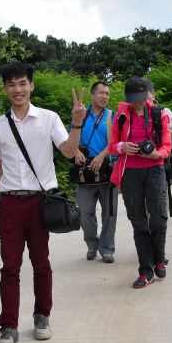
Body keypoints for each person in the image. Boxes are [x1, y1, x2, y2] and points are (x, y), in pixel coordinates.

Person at [0, 62, 87, 343]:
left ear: (31, 86)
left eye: (22, 83)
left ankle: (42, 317)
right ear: (4, 89)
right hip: (11, 203)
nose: (17, 89)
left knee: (41, 264)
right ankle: (8, 328)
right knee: (9, 267)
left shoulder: (49, 118)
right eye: (11, 84)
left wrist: (76, 123)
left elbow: (68, 151)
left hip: (41, 202)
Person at [108, 77, 172, 289]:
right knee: (138, 223)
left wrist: (156, 154)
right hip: (130, 173)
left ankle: (158, 258)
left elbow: (167, 146)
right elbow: (112, 146)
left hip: (155, 170)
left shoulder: (158, 114)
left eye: (140, 98)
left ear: (148, 95)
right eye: (132, 99)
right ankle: (145, 271)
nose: (136, 103)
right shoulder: (120, 116)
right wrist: (122, 147)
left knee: (159, 219)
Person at [71, 81, 117, 263]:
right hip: (85, 173)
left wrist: (102, 157)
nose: (105, 96)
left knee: (110, 214)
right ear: (92, 95)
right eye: (101, 93)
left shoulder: (113, 116)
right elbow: (69, 139)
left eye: (107, 93)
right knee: (84, 211)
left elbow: (117, 143)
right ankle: (92, 244)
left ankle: (107, 249)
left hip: (107, 171)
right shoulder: (81, 114)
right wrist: (76, 152)